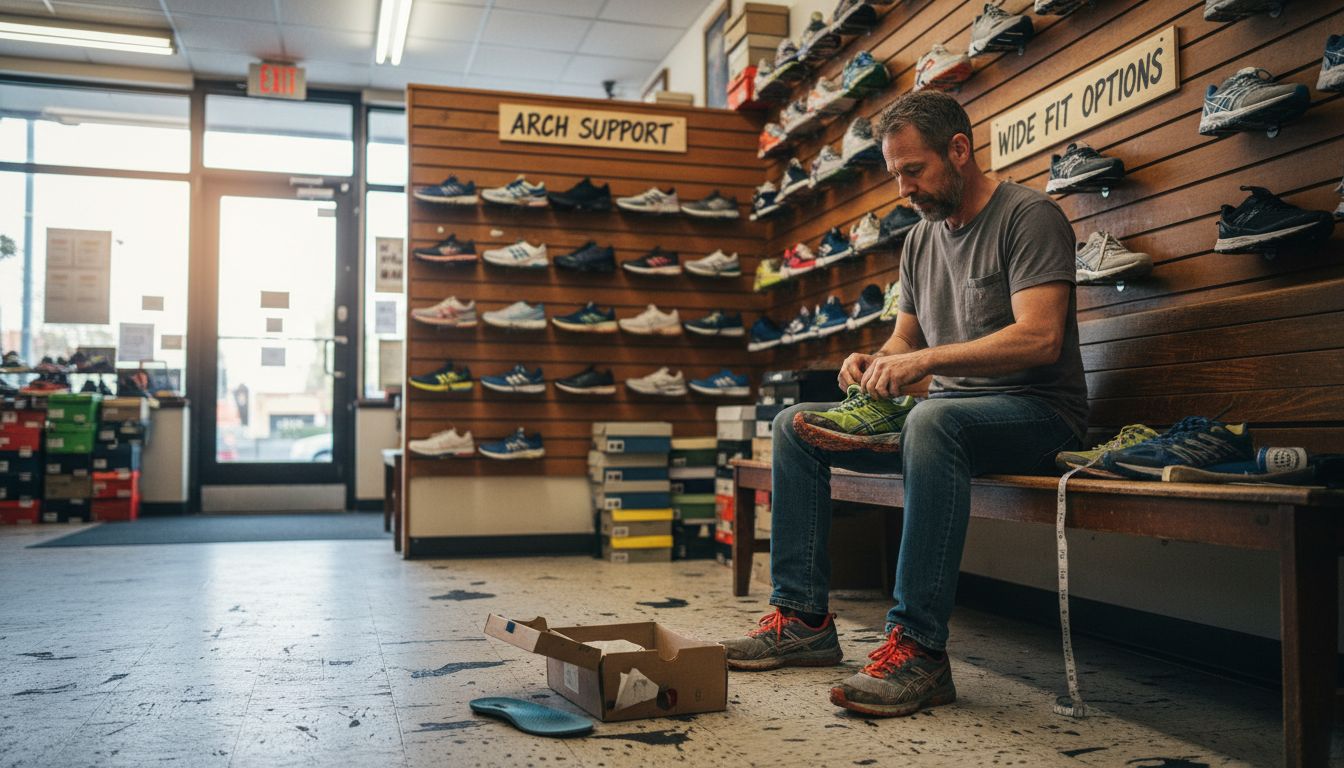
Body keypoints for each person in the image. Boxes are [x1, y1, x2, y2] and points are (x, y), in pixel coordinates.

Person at [721, 91, 1088, 718]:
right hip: (944, 421)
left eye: (912, 171)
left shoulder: (1029, 216)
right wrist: (876, 359)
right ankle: (803, 620)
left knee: (932, 418)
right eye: (894, 174)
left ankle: (919, 651)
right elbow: (906, 338)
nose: (903, 189)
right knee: (795, 424)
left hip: (1036, 414)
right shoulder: (919, 241)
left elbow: (1039, 337)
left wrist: (926, 365)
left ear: (959, 150)